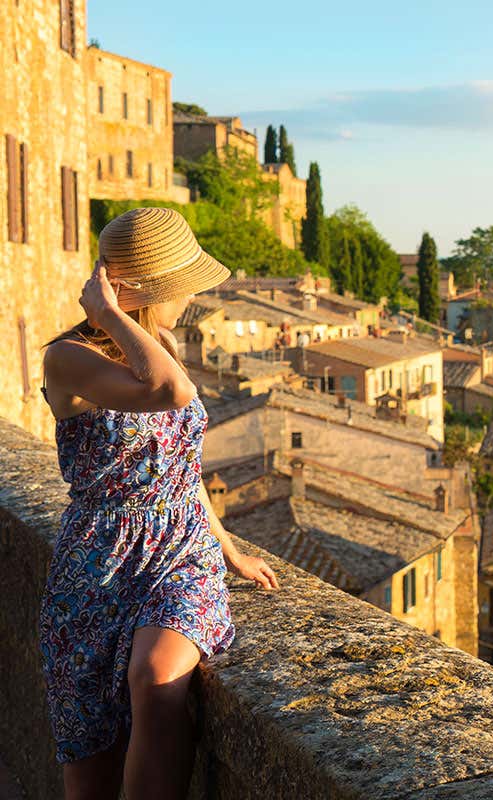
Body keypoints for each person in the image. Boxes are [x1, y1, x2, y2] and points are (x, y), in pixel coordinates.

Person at [38, 207, 279, 800]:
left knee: (155, 676)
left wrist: (226, 547)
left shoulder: (161, 344)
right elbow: (170, 394)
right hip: (96, 563)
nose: (190, 299)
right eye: (180, 287)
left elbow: (180, 462)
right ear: (140, 290)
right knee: (90, 764)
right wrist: (110, 316)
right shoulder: (66, 358)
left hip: (180, 552)